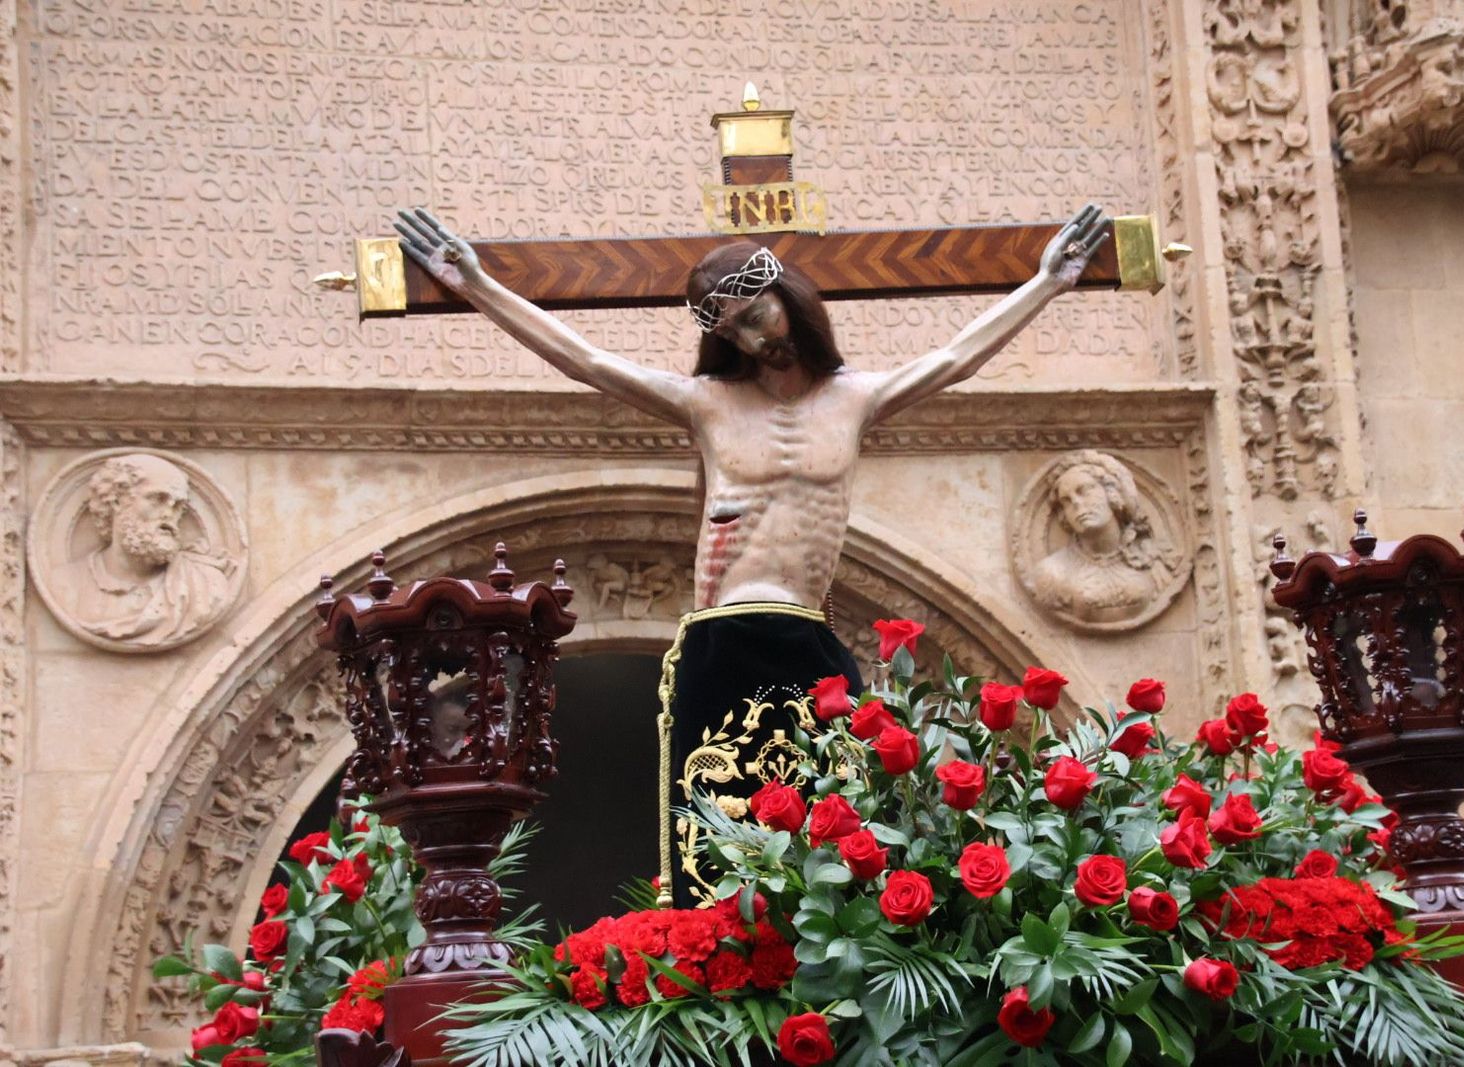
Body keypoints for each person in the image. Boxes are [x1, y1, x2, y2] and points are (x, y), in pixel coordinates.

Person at [395, 205, 1112, 904]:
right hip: (725, 633)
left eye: (755, 312)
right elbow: (586, 359)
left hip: (806, 632)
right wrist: (477, 285)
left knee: (833, 823)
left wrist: (1047, 281)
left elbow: (956, 356)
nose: (749, 334)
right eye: (731, 328)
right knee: (711, 839)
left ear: (788, 297)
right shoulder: (708, 402)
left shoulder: (856, 397)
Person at [73, 453, 234, 647]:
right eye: (157, 499)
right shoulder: (68, 584)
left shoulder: (203, 586)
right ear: (116, 501)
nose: (169, 515)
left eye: (177, 507)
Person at [1029, 450, 1177, 627]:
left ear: (1112, 493)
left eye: (1084, 491)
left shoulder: (1156, 562)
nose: (1076, 503)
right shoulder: (1051, 573)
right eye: (1066, 500)